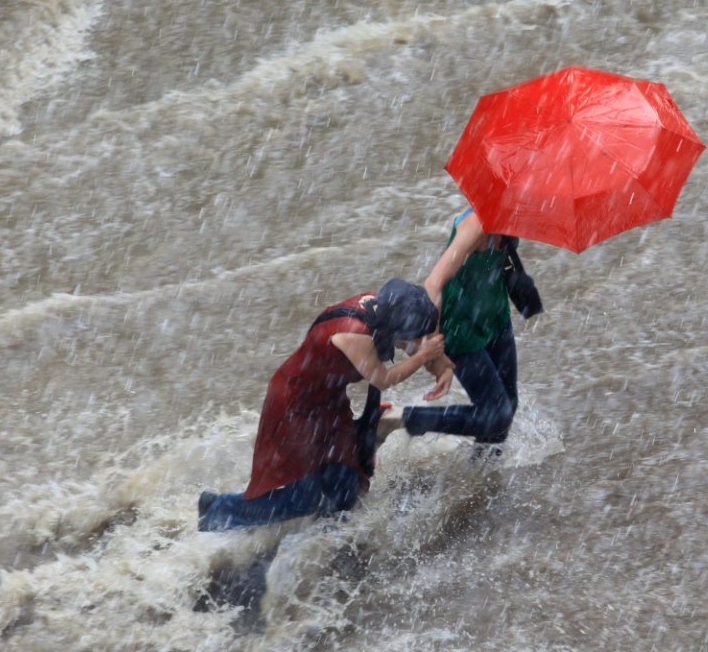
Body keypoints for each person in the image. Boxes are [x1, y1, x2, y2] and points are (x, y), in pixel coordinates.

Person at [198, 279, 448, 532]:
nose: (419, 342)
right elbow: (382, 378)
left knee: (346, 486)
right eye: (415, 337)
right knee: (302, 500)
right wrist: (423, 357)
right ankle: (217, 509)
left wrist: (441, 366)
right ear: (399, 329)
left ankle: (315, 545)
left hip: (328, 400)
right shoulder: (353, 331)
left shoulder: (386, 307)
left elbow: (422, 336)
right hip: (294, 406)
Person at [378, 208, 518, 446]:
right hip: (460, 330)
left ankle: (482, 479)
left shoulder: (515, 216)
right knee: (497, 416)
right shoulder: (475, 226)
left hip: (496, 319)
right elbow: (433, 285)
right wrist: (437, 351)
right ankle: (395, 418)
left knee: (506, 408)